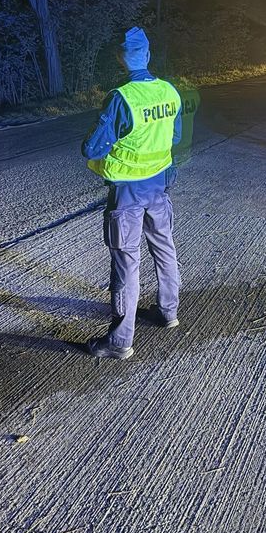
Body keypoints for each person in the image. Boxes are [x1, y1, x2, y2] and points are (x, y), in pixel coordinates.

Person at [81, 27, 182, 360]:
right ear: (148, 55)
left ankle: (120, 341)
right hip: (159, 185)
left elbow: (94, 147)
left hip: (127, 192)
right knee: (164, 248)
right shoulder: (169, 92)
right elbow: (175, 137)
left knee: (126, 261)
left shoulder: (121, 97)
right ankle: (168, 312)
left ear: (121, 58)